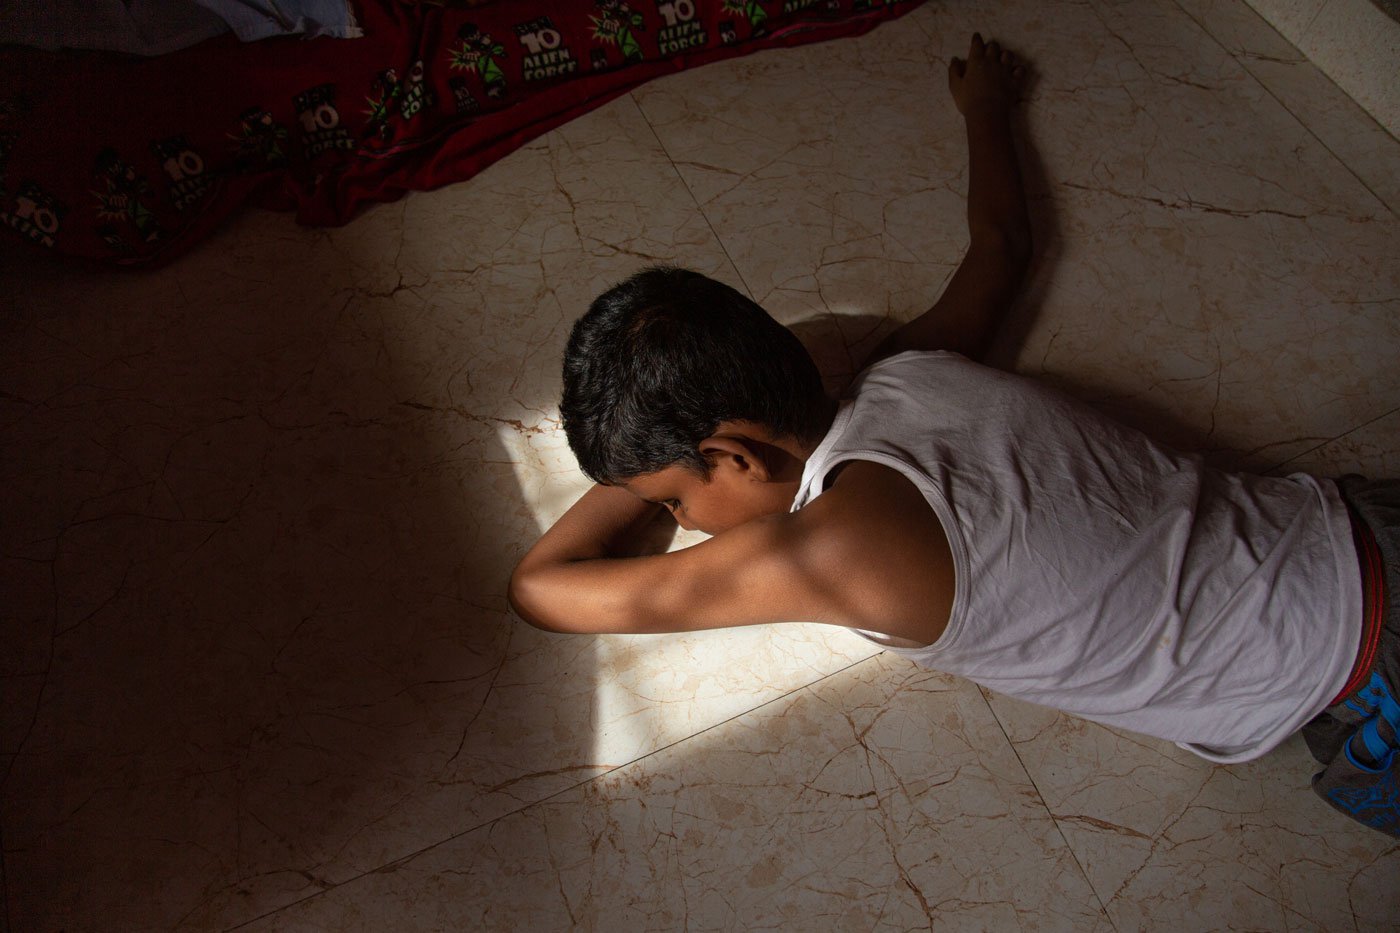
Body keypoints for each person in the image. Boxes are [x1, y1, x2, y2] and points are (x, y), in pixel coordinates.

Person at [508, 34, 1398, 836]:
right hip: (1354, 529)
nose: (685, 521)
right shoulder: (909, 369)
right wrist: (986, 111)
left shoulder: (834, 550)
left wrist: (635, 462)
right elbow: (1000, 248)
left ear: (734, 455)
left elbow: (542, 589)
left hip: (1364, 675)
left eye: (675, 497)